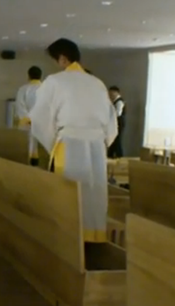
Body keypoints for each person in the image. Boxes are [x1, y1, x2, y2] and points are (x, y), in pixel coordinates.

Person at [30, 38, 117, 243]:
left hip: (69, 145)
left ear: (62, 58)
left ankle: (67, 242)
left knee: (68, 195)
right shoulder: (97, 83)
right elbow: (111, 123)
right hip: (96, 147)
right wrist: (101, 143)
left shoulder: (55, 81)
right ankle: (94, 240)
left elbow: (40, 119)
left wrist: (55, 143)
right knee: (93, 196)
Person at [15, 66, 43, 165]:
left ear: (29, 76)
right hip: (42, 125)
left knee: (25, 151)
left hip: (26, 125)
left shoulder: (23, 89)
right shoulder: (47, 89)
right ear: (40, 76)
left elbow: (20, 106)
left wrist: (28, 119)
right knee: (41, 152)